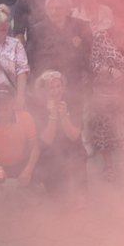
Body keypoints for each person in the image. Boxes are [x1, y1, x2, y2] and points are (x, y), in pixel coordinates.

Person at [31, 70, 87, 206]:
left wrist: (64, 116)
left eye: (58, 86)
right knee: (60, 201)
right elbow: (47, 140)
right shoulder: (37, 107)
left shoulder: (73, 102)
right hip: (50, 152)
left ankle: (80, 190)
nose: (56, 91)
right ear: (43, 91)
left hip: (72, 148)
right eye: (51, 88)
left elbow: (74, 136)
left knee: (79, 154)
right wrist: (53, 115)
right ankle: (45, 184)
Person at [88, 19, 124, 181]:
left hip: (123, 92)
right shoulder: (101, 37)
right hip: (104, 92)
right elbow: (93, 64)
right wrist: (109, 70)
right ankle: (108, 167)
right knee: (104, 130)